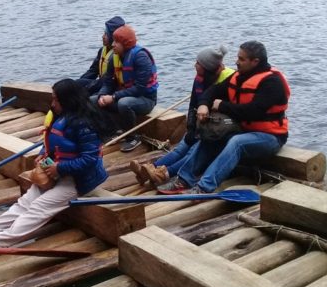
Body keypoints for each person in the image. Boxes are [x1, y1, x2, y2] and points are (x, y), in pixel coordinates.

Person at [0, 79, 107, 248]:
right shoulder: (61, 117)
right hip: (56, 171)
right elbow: (50, 143)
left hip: (79, 180)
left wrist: (59, 167)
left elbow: (90, 159)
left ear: (68, 100)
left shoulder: (85, 125)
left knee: (39, 206)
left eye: (56, 99)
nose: (52, 104)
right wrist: (43, 155)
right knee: (25, 202)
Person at [157, 41, 290, 194]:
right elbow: (213, 91)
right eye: (237, 57)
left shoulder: (272, 82)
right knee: (211, 135)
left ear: (255, 62)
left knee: (237, 142)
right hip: (244, 131)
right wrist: (204, 105)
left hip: (270, 137)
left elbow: (253, 112)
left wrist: (222, 106)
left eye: (241, 59)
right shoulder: (239, 76)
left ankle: (204, 187)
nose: (236, 62)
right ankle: (183, 180)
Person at [130, 44, 234, 186]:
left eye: (198, 63)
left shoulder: (228, 80)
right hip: (201, 125)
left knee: (192, 151)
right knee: (182, 147)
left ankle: (163, 174)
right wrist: (191, 128)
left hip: (217, 129)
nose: (194, 65)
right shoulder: (199, 79)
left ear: (207, 67)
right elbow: (193, 105)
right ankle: (150, 169)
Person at [92, 25, 158, 153]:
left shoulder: (140, 57)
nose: (113, 44)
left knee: (124, 103)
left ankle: (132, 137)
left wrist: (114, 97)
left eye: (116, 42)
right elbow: (108, 83)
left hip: (145, 99)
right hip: (124, 95)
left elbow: (139, 89)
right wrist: (102, 95)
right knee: (94, 100)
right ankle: (111, 131)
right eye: (113, 41)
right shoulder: (114, 58)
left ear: (126, 43)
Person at [77, 15, 125, 95]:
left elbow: (108, 80)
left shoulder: (118, 54)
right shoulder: (102, 50)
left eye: (106, 34)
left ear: (113, 37)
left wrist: (86, 88)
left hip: (111, 88)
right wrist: (76, 85)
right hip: (101, 84)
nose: (103, 37)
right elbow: (92, 71)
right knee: (77, 84)